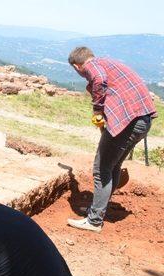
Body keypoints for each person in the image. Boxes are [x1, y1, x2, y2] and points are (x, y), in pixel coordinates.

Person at [66, 47, 157, 233]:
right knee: (113, 166)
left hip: (130, 122)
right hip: (143, 120)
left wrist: (97, 110)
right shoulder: (107, 62)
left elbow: (99, 79)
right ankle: (98, 210)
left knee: (101, 169)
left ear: (77, 66)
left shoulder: (92, 66)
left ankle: (94, 221)